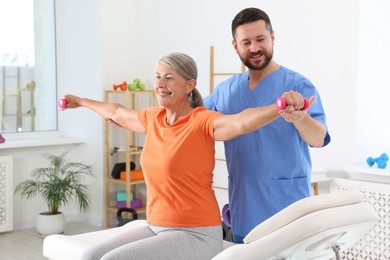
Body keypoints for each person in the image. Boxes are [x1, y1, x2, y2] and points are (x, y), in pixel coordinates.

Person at [60, 52, 307, 260]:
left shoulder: (201, 121)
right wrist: (81, 101)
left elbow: (240, 122)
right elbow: (116, 111)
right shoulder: (153, 118)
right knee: (89, 257)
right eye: (158, 76)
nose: (160, 83)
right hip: (156, 226)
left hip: (196, 233)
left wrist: (279, 107)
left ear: (190, 85)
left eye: (169, 78)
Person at [203, 7, 331, 243]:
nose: (254, 48)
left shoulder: (298, 85)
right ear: (235, 46)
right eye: (246, 42)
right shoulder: (225, 91)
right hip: (245, 209)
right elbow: (194, 122)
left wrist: (301, 118)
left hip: (288, 209)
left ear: (272, 38)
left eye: (260, 39)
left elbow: (318, 138)